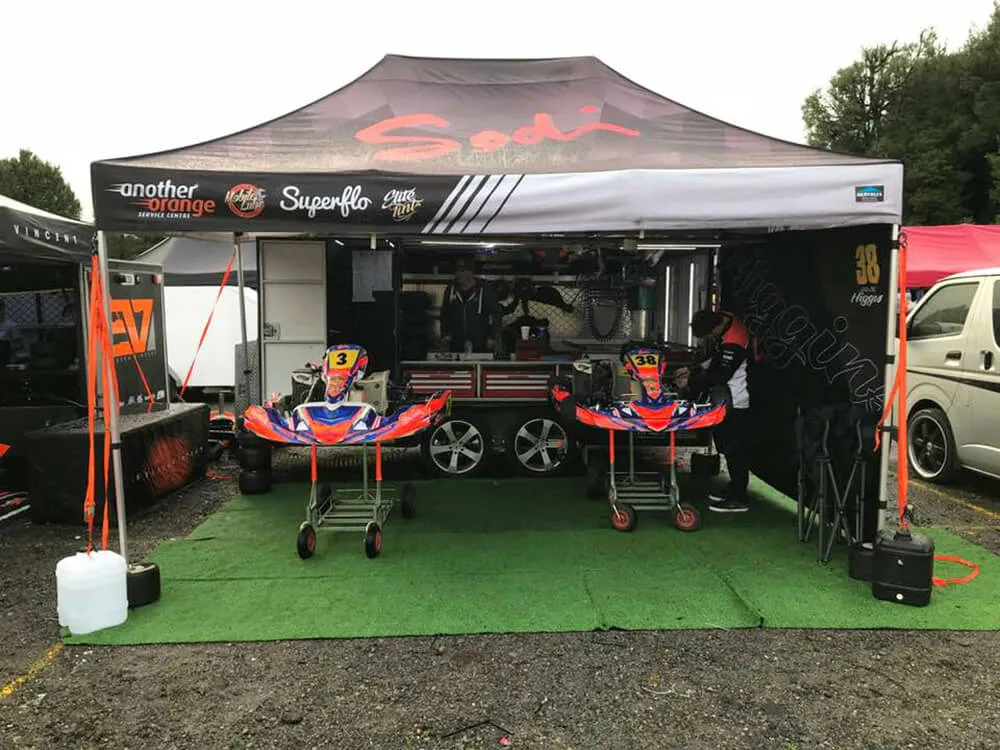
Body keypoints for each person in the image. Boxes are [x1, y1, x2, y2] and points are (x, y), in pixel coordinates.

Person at [674, 308, 752, 513]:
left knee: (735, 450)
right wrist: (692, 369)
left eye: (709, 334)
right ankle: (734, 489)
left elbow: (720, 376)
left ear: (715, 328)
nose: (710, 338)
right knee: (726, 446)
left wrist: (690, 382)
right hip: (725, 398)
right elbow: (715, 358)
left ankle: (739, 498)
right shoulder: (726, 317)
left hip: (736, 400)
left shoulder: (734, 342)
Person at [440, 257, 500, 353]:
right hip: (456, 344)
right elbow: (445, 314)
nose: (459, 274)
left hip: (480, 345)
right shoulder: (450, 289)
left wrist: (492, 336)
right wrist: (444, 334)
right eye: (457, 271)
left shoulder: (485, 289)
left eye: (462, 271)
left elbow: (495, 314)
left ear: (471, 272)